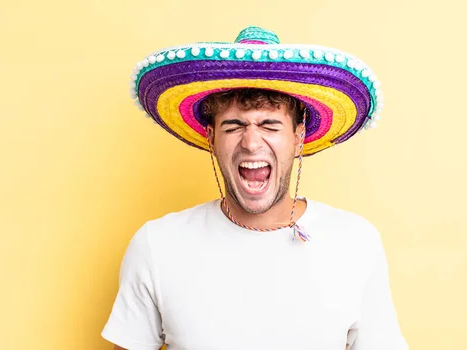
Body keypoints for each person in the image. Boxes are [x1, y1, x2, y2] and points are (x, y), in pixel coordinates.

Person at [102, 26, 408, 350]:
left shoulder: (355, 241)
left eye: (269, 125)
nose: (250, 142)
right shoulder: (157, 244)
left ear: (299, 136)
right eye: (233, 126)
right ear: (211, 137)